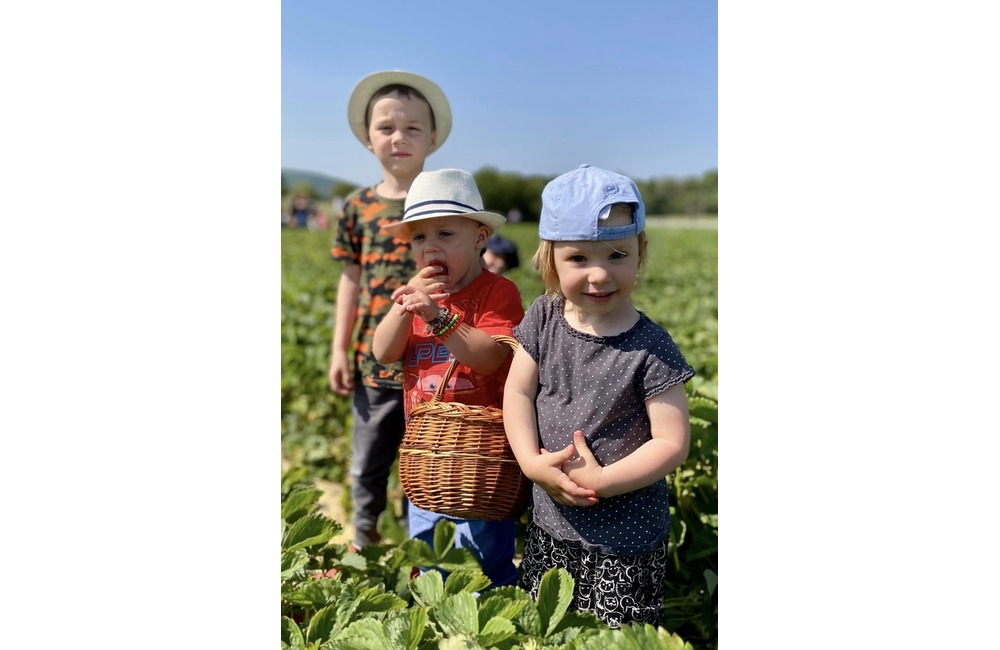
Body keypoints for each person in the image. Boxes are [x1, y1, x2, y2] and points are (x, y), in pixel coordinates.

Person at [503, 164, 694, 628]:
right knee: (548, 625)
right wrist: (529, 462)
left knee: (613, 634)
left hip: (623, 538)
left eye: (616, 255)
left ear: (640, 252)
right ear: (550, 260)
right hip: (550, 520)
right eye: (579, 259)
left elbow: (671, 443)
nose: (599, 274)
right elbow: (517, 391)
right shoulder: (544, 318)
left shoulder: (651, 347)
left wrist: (602, 482)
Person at [372, 168, 524, 588]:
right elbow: (383, 352)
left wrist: (438, 317)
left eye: (445, 234)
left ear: (479, 237)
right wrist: (404, 307)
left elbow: (491, 358)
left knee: (482, 563)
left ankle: (492, 625)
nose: (430, 247)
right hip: (426, 458)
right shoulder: (414, 298)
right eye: (419, 238)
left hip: (481, 461)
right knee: (428, 561)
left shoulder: (498, 292)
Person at [328, 70, 452, 550]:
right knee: (369, 458)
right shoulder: (357, 208)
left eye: (412, 128)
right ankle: (363, 539)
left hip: (435, 362)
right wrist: (339, 349)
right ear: (367, 138)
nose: (398, 137)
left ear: (433, 138)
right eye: (385, 127)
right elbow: (350, 283)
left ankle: (421, 548)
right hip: (373, 361)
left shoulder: (443, 203)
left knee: (425, 459)